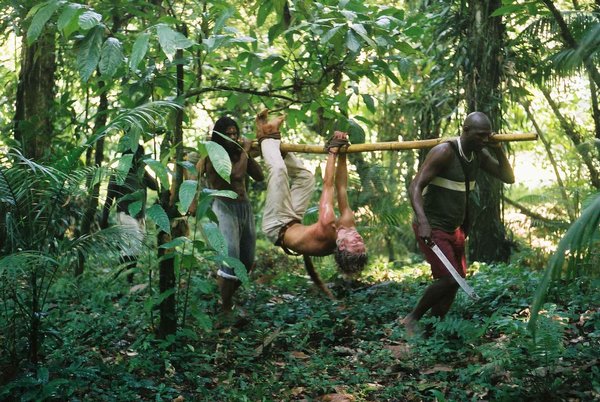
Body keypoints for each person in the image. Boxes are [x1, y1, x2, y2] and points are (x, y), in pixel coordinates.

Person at [402, 111, 515, 335]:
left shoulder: (479, 154)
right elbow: (415, 186)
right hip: (432, 227)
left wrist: (498, 149)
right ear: (465, 130)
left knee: (457, 280)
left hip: (455, 229)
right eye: (480, 135)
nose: (484, 140)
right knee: (449, 278)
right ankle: (411, 318)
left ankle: (434, 328)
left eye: (487, 135)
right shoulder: (444, 152)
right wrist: (423, 222)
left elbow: (508, 177)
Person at [256, 109, 368, 277]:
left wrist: (333, 152)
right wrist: (343, 154)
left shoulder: (327, 228)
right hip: (293, 219)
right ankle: (276, 146)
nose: (359, 239)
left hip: (276, 226)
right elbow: (341, 188)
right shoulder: (348, 225)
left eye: (355, 244)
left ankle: (266, 136)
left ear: (342, 245)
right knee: (305, 178)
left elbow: (328, 185)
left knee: (278, 171)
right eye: (362, 243)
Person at [195, 116, 265, 316]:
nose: (233, 137)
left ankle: (225, 298)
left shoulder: (238, 154)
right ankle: (226, 308)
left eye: (235, 133)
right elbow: (235, 175)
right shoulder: (213, 155)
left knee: (247, 261)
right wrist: (245, 151)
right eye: (228, 134)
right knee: (230, 259)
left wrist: (245, 153)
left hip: (244, 207)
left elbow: (259, 176)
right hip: (224, 207)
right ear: (219, 136)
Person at [101, 145, 159, 282]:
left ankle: (123, 277)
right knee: (132, 248)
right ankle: (126, 280)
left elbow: (155, 186)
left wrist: (147, 168)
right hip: (125, 214)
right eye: (138, 155)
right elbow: (109, 198)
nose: (139, 158)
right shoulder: (118, 173)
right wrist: (104, 218)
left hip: (140, 216)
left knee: (134, 248)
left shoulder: (141, 172)